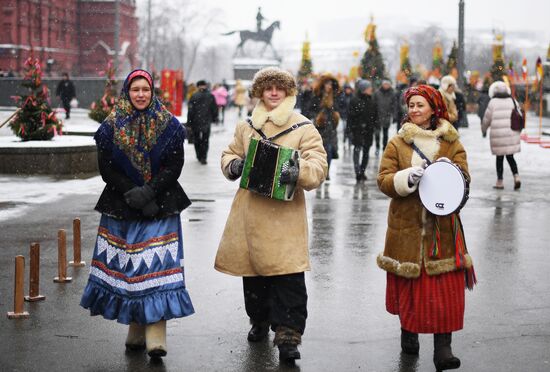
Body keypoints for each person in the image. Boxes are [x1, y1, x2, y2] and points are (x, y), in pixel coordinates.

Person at [215, 67, 327, 365]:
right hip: (250, 214)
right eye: (268, 88)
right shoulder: (246, 126)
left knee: (288, 276)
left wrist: (298, 170)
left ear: (289, 92)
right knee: (254, 278)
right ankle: (259, 320)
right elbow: (228, 155)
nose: (274, 93)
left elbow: (318, 167)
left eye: (280, 88)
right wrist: (234, 165)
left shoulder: (303, 127)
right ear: (260, 93)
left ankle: (289, 334)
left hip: (284, 218)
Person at [80, 69, 194, 360]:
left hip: (161, 205)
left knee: (155, 269)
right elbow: (107, 168)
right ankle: (135, 325)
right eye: (135, 89)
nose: (141, 94)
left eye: (145, 89)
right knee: (129, 266)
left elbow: (174, 165)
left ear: (152, 91)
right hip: (122, 204)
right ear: (127, 92)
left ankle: (156, 333)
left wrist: (150, 192)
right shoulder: (110, 127)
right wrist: (133, 193)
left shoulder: (169, 125)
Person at [377, 84, 476, 371]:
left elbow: (465, 179)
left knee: (443, 292)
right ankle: (408, 333)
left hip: (443, 230)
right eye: (411, 105)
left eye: (420, 105)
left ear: (434, 108)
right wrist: (407, 178)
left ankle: (443, 349)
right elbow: (384, 180)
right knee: (410, 287)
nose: (414, 110)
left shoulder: (451, 142)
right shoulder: (398, 143)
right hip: (406, 228)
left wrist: (452, 173)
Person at [481, 81, 521, 190]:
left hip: (497, 135)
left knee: (499, 159)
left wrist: (483, 130)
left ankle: (500, 181)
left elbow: (486, 119)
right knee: (510, 157)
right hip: (511, 133)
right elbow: (519, 115)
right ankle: (516, 176)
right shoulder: (512, 101)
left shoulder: (493, 102)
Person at [310, 72, 341, 181]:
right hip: (320, 128)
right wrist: (318, 117)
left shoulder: (335, 96)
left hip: (331, 127)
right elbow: (311, 109)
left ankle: (326, 171)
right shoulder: (318, 95)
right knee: (321, 151)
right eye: (327, 84)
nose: (329, 86)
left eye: (331, 84)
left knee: (331, 150)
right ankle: (322, 171)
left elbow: (338, 108)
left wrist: (335, 115)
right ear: (323, 85)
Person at [348, 79, 377, 182]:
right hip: (357, 131)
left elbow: (375, 116)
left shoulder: (372, 100)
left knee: (366, 152)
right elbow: (350, 116)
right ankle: (358, 172)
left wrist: (374, 125)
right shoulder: (355, 100)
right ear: (364, 89)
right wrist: (351, 129)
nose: (371, 89)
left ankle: (362, 171)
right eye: (369, 88)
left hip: (368, 131)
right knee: (357, 151)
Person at [187, 80, 218, 164]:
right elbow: (214, 108)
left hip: (195, 121)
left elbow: (190, 110)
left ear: (198, 86)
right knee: (205, 140)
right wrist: (215, 118)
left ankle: (199, 155)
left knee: (197, 139)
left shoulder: (194, 96)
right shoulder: (211, 96)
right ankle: (204, 157)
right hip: (206, 121)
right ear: (206, 86)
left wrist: (189, 122)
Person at [374, 79, 395, 154]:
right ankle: (377, 147)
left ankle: (384, 147)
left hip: (387, 116)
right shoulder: (377, 93)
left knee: (385, 134)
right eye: (385, 84)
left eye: (387, 84)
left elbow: (394, 105)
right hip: (377, 116)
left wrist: (394, 115)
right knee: (377, 133)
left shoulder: (392, 93)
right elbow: (374, 104)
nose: (386, 86)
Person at [338, 83, 354, 149]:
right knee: (345, 129)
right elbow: (340, 106)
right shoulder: (342, 97)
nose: (348, 90)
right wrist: (342, 112)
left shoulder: (352, 97)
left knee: (350, 129)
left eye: (349, 89)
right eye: (347, 89)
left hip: (351, 116)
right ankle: (345, 140)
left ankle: (350, 141)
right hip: (344, 116)